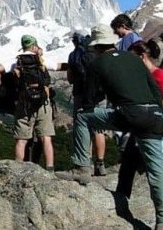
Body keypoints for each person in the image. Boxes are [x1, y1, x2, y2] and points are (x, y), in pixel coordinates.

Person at [57, 24, 163, 229]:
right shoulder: (134, 59)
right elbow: (155, 92)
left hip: (128, 114)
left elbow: (88, 100)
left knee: (82, 117)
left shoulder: (96, 64)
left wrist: (89, 106)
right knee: (157, 170)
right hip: (154, 116)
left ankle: (81, 167)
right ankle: (161, 219)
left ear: (96, 46)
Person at [0, 35, 55, 171]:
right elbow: (60, 66)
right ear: (34, 46)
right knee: (46, 138)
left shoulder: (17, 61)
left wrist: (1, 87)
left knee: (21, 140)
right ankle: (50, 169)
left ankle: (18, 170)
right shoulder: (41, 60)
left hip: (24, 104)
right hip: (43, 105)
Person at [116, 40, 163, 201]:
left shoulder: (159, 77)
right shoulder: (147, 77)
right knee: (127, 163)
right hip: (142, 128)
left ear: (142, 57)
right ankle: (121, 200)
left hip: (155, 130)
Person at [66, 32, 107, 176]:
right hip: (99, 95)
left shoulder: (74, 54)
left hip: (81, 95)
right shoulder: (98, 52)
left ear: (75, 42)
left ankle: (84, 164)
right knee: (99, 130)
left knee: (82, 127)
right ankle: (100, 165)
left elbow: (70, 78)